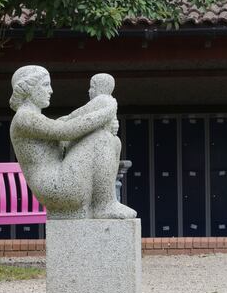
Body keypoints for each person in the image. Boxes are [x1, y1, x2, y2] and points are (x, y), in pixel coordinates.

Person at [9, 66, 135, 220]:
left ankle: (106, 203)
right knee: (100, 138)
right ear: (30, 88)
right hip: (55, 187)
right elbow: (66, 131)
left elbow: (64, 133)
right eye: (45, 85)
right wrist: (107, 111)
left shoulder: (34, 117)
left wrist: (100, 112)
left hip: (63, 179)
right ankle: (104, 205)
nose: (51, 91)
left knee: (114, 141)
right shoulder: (24, 118)